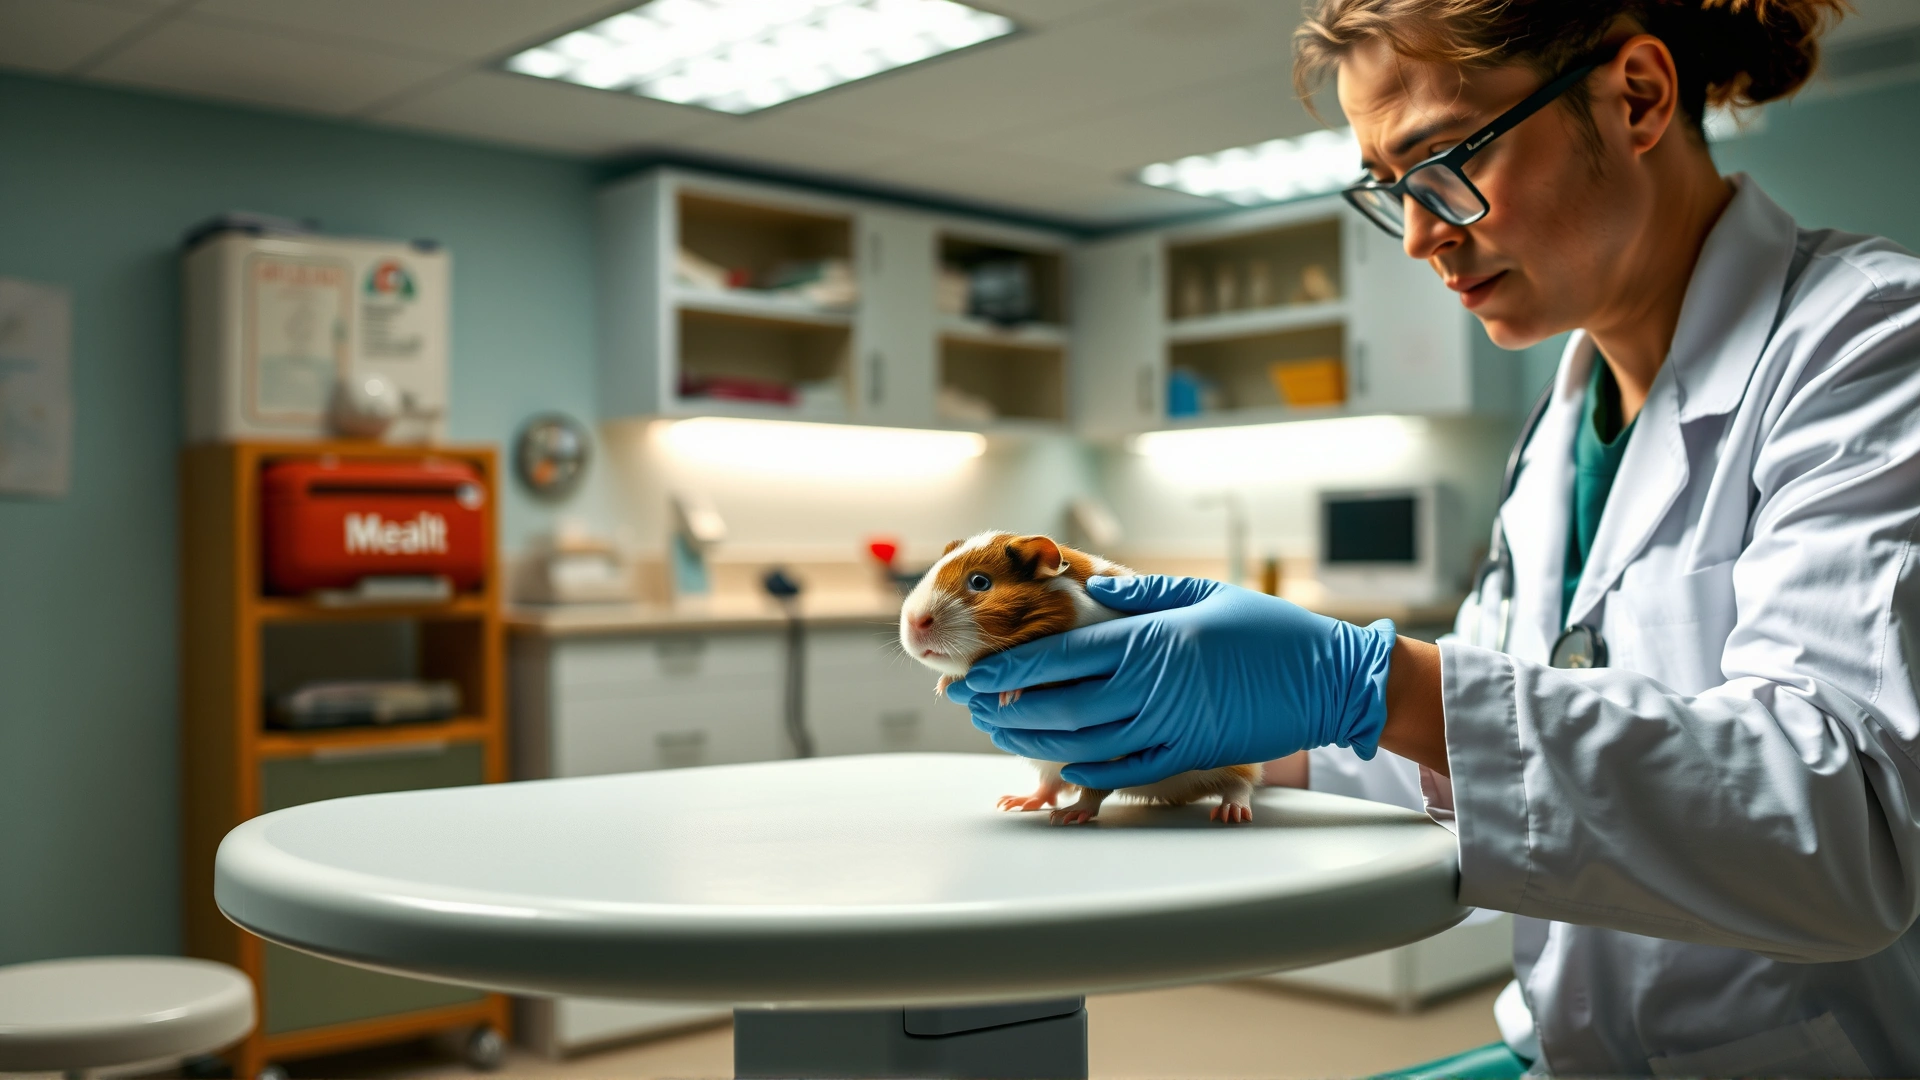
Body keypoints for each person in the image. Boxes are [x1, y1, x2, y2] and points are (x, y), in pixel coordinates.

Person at [945, 0, 1920, 1074]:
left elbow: (1847, 835)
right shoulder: (1559, 432)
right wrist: (1225, 736)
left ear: (1635, 96)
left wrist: (1367, 682)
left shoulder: (1873, 349)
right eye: (1388, 188)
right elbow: (1473, 760)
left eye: (1443, 161)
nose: (1419, 234)